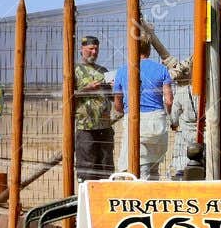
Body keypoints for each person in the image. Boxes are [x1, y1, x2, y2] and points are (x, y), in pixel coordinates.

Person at [112, 40, 173, 181]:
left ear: (132, 50)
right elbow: (169, 100)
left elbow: (118, 104)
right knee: (153, 167)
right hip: (157, 120)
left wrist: (122, 109)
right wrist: (171, 117)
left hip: (136, 121)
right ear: (149, 50)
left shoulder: (122, 71)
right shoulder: (161, 69)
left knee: (138, 166)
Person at [73, 35, 115, 184]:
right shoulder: (74, 70)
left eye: (96, 49)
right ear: (82, 49)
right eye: (91, 49)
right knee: (87, 168)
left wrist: (113, 88)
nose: (94, 52)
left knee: (106, 167)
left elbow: (113, 97)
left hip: (104, 127)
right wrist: (87, 89)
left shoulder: (104, 70)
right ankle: (85, 201)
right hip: (85, 128)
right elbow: (68, 97)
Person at [166, 61, 198, 179]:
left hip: (184, 137)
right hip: (205, 136)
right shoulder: (212, 92)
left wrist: (174, 125)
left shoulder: (181, 92)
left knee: (180, 169)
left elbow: (174, 118)